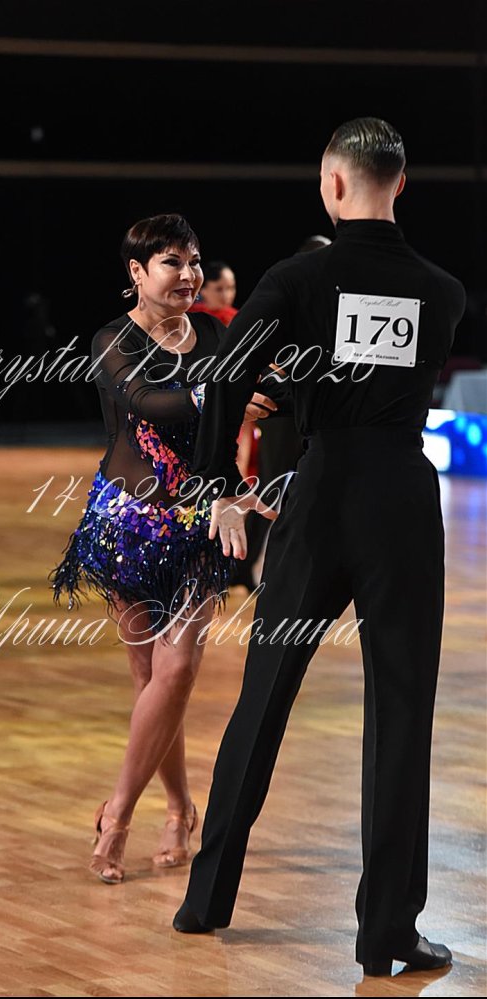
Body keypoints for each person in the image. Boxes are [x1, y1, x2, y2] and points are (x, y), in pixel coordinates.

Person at [171, 118, 466, 978]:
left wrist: (215, 484)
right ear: (400, 185)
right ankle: (388, 935)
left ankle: (205, 899)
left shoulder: (298, 279)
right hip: (402, 502)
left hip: (321, 495)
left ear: (334, 185)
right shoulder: (443, 292)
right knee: (402, 713)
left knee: (263, 695)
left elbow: (224, 372)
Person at [49, 214, 277, 885]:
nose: (188, 275)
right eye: (172, 262)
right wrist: (228, 393)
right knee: (150, 679)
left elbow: (272, 385)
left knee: (177, 671)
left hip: (201, 519)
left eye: (194, 261)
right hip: (129, 523)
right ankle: (179, 808)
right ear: (137, 272)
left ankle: (117, 815)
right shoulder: (112, 340)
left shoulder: (218, 332)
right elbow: (152, 401)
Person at [234, 234, 332, 593]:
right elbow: (253, 353)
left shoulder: (332, 306)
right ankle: (243, 566)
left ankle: (298, 571)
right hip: (283, 412)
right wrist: (279, 378)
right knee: (272, 487)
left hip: (321, 415)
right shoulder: (282, 300)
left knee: (314, 489)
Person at [189, 260, 238, 326]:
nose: (226, 295)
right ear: (202, 289)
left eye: (231, 288)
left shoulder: (237, 318)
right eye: (219, 289)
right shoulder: (189, 314)